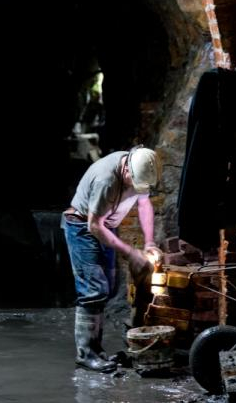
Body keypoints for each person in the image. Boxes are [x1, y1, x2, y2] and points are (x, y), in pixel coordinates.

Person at [62, 146, 162, 373]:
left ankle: (97, 350)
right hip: (82, 227)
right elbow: (94, 224)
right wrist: (129, 252)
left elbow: (144, 204)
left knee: (108, 286)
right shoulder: (106, 179)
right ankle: (86, 355)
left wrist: (149, 242)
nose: (134, 189)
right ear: (126, 169)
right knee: (92, 290)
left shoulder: (143, 168)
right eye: (131, 183)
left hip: (106, 226)